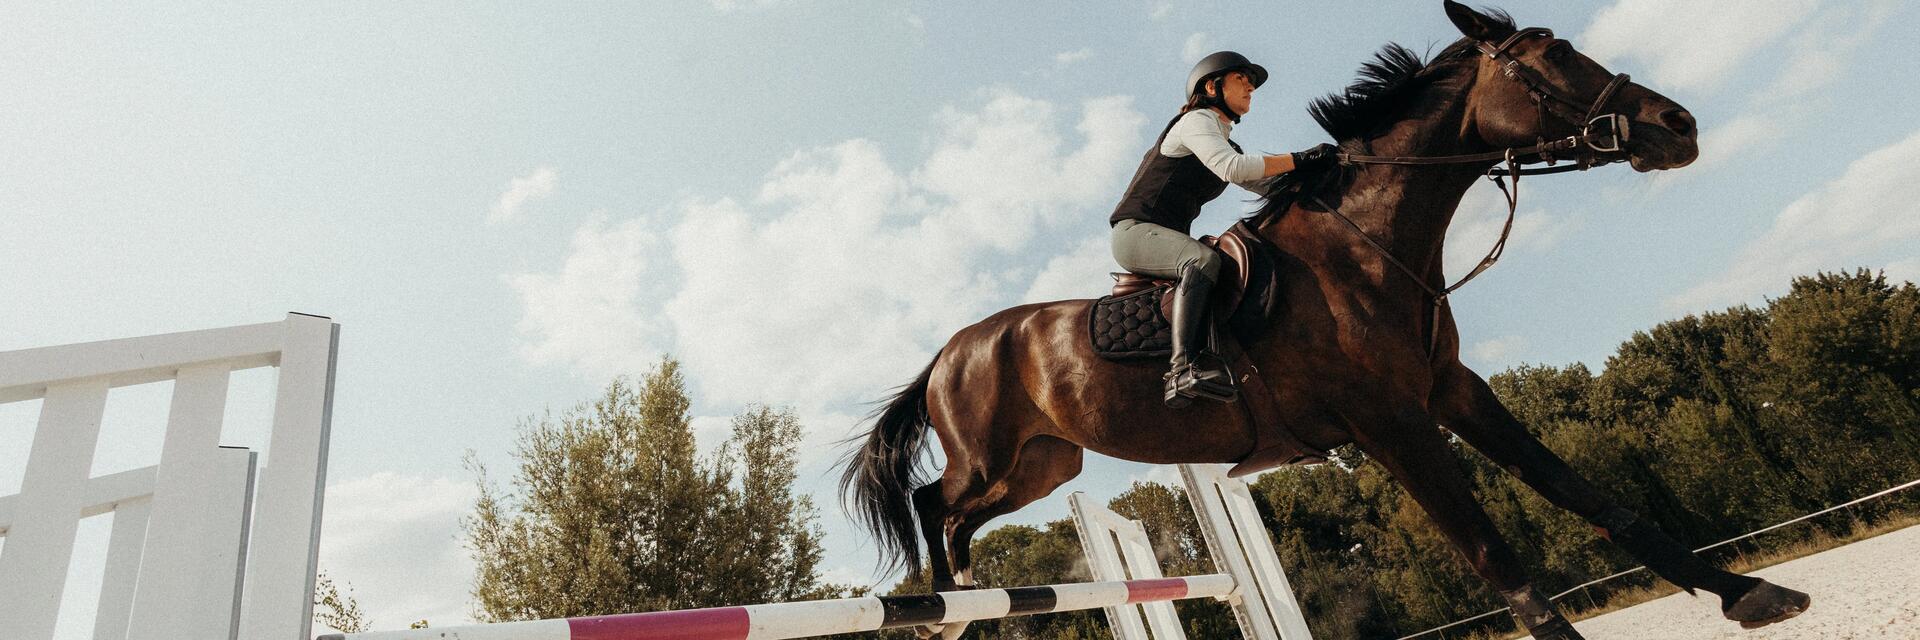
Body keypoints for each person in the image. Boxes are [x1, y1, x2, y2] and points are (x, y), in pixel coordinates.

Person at [1109, 51, 1338, 408]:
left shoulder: (1223, 140)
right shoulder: (1195, 122)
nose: (1250, 86)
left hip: (1162, 236)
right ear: (1212, 86)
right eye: (1241, 78)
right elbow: (1234, 169)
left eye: (1252, 82)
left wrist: (1323, 174)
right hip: (1135, 232)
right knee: (1202, 261)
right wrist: (1299, 158)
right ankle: (1182, 369)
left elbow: (1266, 185)